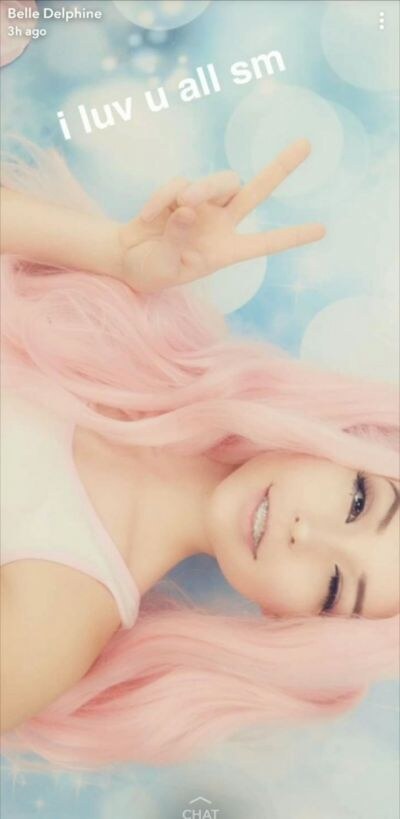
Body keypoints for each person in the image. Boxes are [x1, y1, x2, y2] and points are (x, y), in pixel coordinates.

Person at [0, 138, 398, 773]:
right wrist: (111, 254)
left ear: (293, 623)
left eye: (332, 586)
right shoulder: (134, 330)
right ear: (345, 444)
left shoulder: (56, 626)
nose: (306, 534)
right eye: (358, 501)